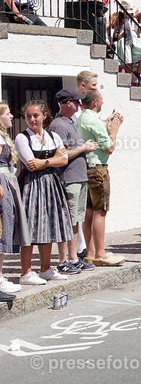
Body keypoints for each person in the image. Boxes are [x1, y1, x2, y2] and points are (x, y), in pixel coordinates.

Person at [15, 99, 75, 285]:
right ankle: (26, 273)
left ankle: (45, 269)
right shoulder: (22, 138)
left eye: (36, 116)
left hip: (51, 184)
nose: (32, 119)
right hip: (31, 186)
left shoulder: (52, 136)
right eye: (28, 116)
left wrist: (46, 162)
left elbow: (64, 160)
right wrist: (53, 158)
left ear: (45, 116)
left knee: (47, 225)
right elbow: (31, 164)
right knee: (30, 228)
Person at [49, 90, 98, 273]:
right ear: (68, 103)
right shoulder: (59, 125)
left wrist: (84, 149)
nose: (79, 105)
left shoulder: (70, 122)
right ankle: (65, 261)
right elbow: (60, 155)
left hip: (78, 177)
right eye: (77, 102)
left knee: (76, 220)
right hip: (68, 179)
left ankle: (73, 258)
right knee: (69, 220)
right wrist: (83, 148)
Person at [75, 91, 125, 266]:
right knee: (100, 211)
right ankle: (101, 253)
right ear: (95, 102)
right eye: (101, 100)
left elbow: (93, 131)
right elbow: (109, 148)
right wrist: (114, 130)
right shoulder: (94, 121)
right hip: (98, 169)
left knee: (89, 212)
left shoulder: (81, 118)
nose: (102, 103)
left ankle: (90, 252)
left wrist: (106, 122)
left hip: (85, 168)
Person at [0, 102, 29, 296]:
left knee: (6, 228)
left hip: (7, 182)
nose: (11, 116)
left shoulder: (4, 137)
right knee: (2, 228)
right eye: (8, 113)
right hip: (2, 182)